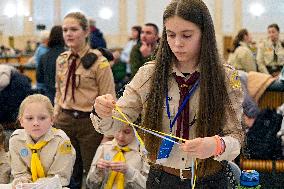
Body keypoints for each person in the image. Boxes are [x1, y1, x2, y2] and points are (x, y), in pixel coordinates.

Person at [92, 0, 244, 188]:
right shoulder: (149, 74)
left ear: (204, 34)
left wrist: (216, 145)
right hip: (161, 178)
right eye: (171, 35)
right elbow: (113, 125)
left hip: (210, 178)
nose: (177, 43)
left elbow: (236, 137)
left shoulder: (225, 77)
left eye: (187, 35)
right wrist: (103, 110)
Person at [54, 12, 116, 189]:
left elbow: (109, 98)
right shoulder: (62, 60)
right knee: (67, 170)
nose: (68, 34)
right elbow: (58, 91)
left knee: (92, 172)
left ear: (86, 31)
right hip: (64, 121)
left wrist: (108, 133)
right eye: (65, 30)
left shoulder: (100, 62)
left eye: (74, 29)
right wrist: (55, 116)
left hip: (90, 124)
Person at [9, 94, 75, 187]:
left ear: (52, 119)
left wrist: (36, 186)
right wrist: (22, 183)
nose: (36, 123)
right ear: (21, 121)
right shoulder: (16, 140)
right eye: (30, 118)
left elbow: (60, 178)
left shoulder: (62, 141)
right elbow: (19, 173)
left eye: (42, 118)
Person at [86, 124, 149, 189]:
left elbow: (148, 185)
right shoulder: (104, 148)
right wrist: (97, 170)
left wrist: (129, 171)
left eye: (127, 132)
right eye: (117, 130)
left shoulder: (143, 154)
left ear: (136, 131)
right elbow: (90, 185)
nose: (120, 136)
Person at [36, 25, 66, 104]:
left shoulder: (44, 57)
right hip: (65, 96)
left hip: (49, 96)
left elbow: (39, 78)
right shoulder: (69, 56)